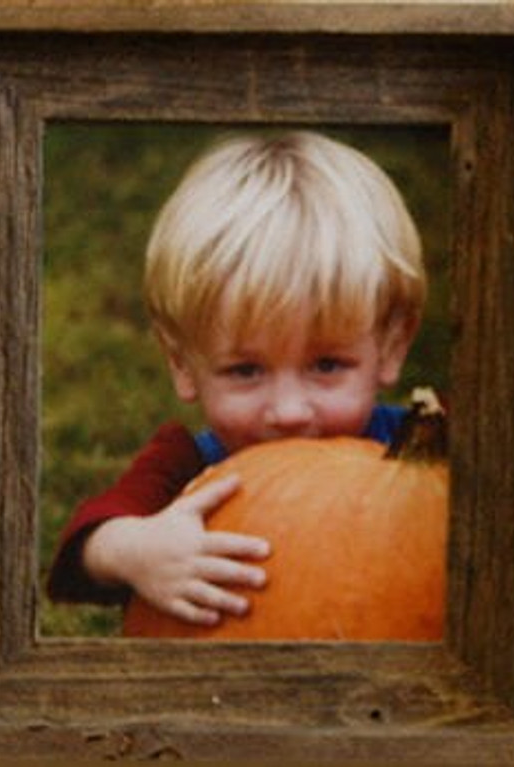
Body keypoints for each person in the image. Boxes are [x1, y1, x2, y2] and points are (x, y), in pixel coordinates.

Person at [46, 131, 426, 627]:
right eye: (245, 370)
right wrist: (132, 548)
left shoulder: (421, 456)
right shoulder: (187, 465)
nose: (288, 411)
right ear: (182, 365)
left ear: (391, 348)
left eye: (327, 365)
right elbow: (83, 548)